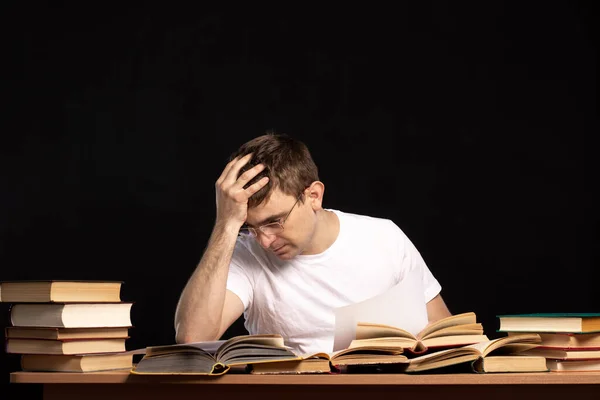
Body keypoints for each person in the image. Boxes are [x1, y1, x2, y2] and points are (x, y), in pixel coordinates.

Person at [174, 132, 451, 355]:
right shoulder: (247, 253)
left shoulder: (385, 236)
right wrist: (227, 224)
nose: (265, 240)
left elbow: (443, 332)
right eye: (250, 226)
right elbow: (192, 338)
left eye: (274, 221)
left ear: (314, 196)